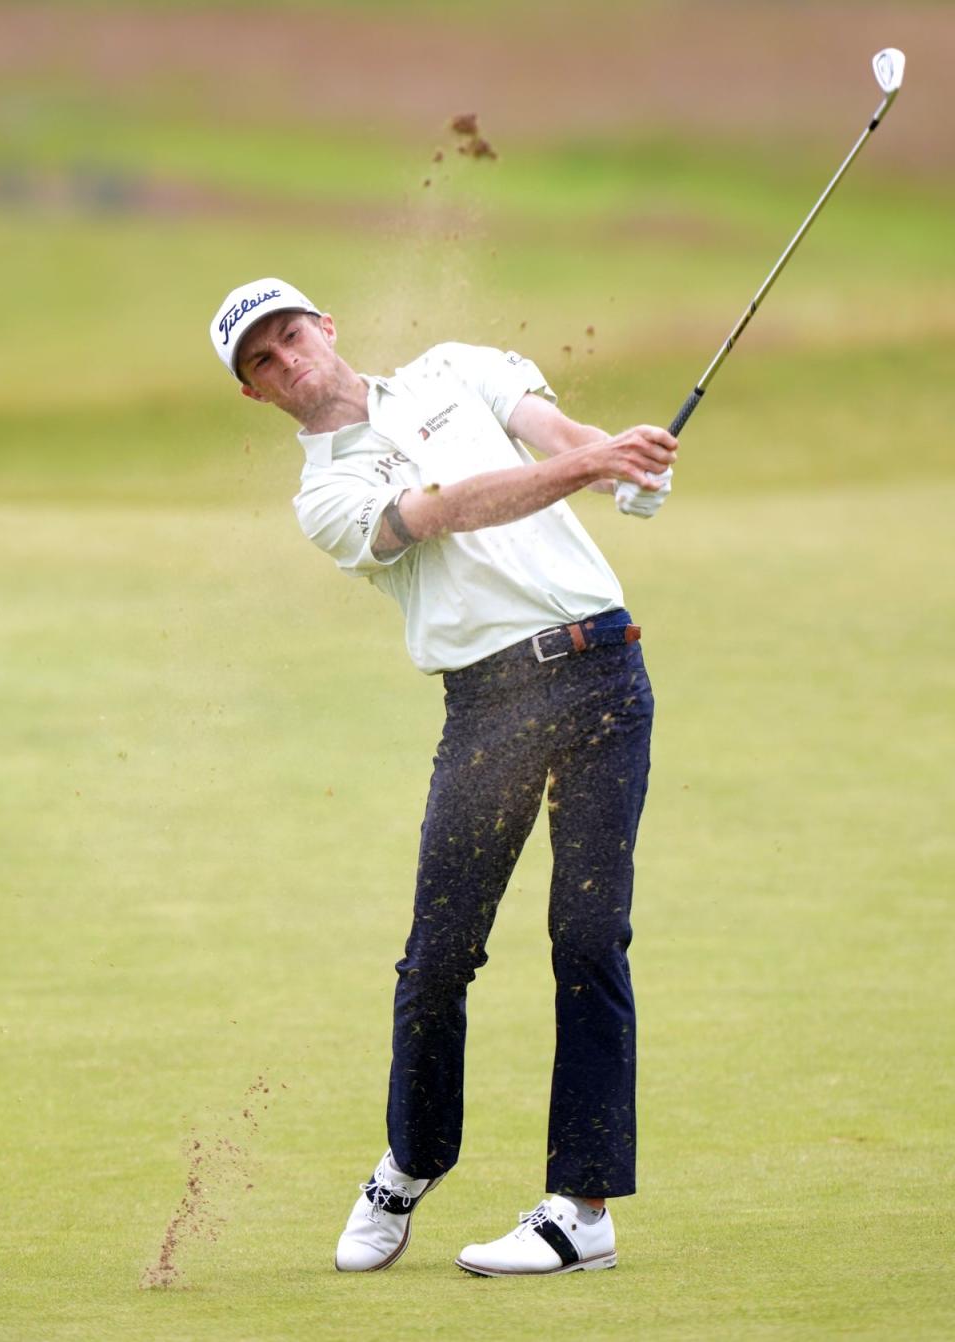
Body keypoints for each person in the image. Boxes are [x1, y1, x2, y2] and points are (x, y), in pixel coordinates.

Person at [209, 278, 678, 1277]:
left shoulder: (455, 369)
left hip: (605, 672)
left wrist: (620, 464)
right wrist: (596, 463)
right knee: (439, 959)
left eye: (291, 334)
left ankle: (580, 1209)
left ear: (325, 327)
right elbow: (449, 508)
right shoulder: (325, 497)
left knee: (590, 937)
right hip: (491, 707)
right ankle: (411, 1160)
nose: (287, 359)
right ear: (256, 394)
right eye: (263, 360)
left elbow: (557, 430)